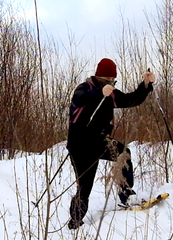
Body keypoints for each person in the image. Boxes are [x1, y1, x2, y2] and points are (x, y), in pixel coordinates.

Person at [66, 58, 155, 229]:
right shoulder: (84, 88)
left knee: (123, 153)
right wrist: (99, 93)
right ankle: (75, 222)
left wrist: (145, 85)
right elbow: (79, 100)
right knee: (85, 187)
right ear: (99, 77)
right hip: (80, 145)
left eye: (112, 81)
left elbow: (130, 100)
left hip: (100, 141)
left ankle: (126, 194)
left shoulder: (111, 92)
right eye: (107, 80)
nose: (110, 84)